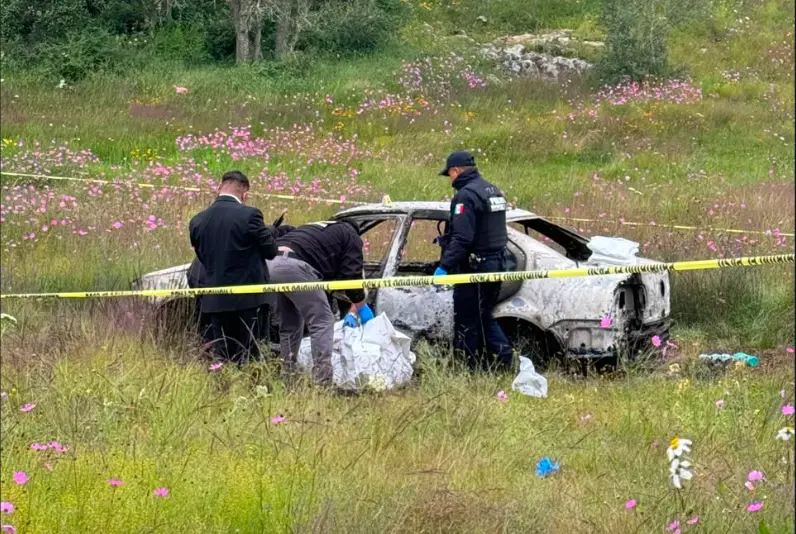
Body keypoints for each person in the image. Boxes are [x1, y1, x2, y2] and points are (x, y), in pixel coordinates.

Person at [433, 151, 514, 371]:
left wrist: (444, 266)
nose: (450, 179)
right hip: (496, 263)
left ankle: (468, 369)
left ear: (455, 171)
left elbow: (462, 238)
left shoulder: (465, 196)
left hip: (474, 268)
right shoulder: (492, 190)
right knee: (482, 316)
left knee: (467, 321)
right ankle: (503, 361)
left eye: (449, 174)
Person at [188, 170, 279, 363]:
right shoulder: (250, 215)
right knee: (250, 354)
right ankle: (250, 389)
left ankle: (223, 388)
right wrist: (268, 232)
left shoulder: (197, 221)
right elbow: (270, 251)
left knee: (221, 355)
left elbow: (202, 256)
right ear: (244, 194)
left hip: (214, 300)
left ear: (219, 188)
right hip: (249, 300)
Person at [270, 219, 374, 385]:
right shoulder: (350, 235)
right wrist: (360, 303)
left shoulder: (314, 227)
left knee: (290, 324)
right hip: (296, 267)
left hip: (270, 263)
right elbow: (351, 276)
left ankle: (287, 376)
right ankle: (322, 380)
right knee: (323, 321)